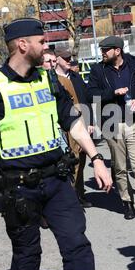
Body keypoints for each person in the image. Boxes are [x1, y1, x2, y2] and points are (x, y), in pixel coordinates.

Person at [0, 18, 112, 270]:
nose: (47, 47)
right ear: (23, 44)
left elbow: (73, 123)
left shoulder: (48, 80)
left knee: (77, 245)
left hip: (56, 180)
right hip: (19, 186)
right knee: (27, 256)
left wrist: (97, 158)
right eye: (42, 42)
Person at [87, 35, 135, 222]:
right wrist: (112, 93)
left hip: (134, 122)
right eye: (102, 50)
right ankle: (127, 202)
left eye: (106, 50)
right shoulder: (98, 70)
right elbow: (91, 93)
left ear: (117, 51)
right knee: (120, 167)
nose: (102, 53)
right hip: (111, 124)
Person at [54, 47, 95, 208]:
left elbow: (86, 100)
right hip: (66, 127)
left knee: (82, 161)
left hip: (82, 124)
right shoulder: (53, 79)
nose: (69, 60)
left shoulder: (76, 77)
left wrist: (90, 122)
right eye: (65, 58)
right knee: (71, 162)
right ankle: (69, 198)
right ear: (57, 59)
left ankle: (80, 194)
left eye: (70, 57)